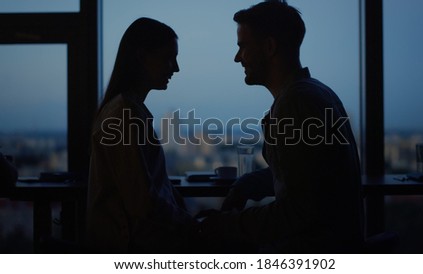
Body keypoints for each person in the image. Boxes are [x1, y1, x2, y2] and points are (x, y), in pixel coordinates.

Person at [201, 0, 364, 253]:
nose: (237, 58)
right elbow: (309, 181)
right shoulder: (317, 93)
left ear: (269, 47)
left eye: (243, 47)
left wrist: (225, 226)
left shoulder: (296, 104)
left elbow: (297, 212)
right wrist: (250, 183)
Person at [86, 17, 197, 253]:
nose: (175, 68)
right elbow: (142, 202)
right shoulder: (125, 113)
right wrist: (192, 225)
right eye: (169, 58)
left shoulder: (125, 109)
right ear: (142, 56)